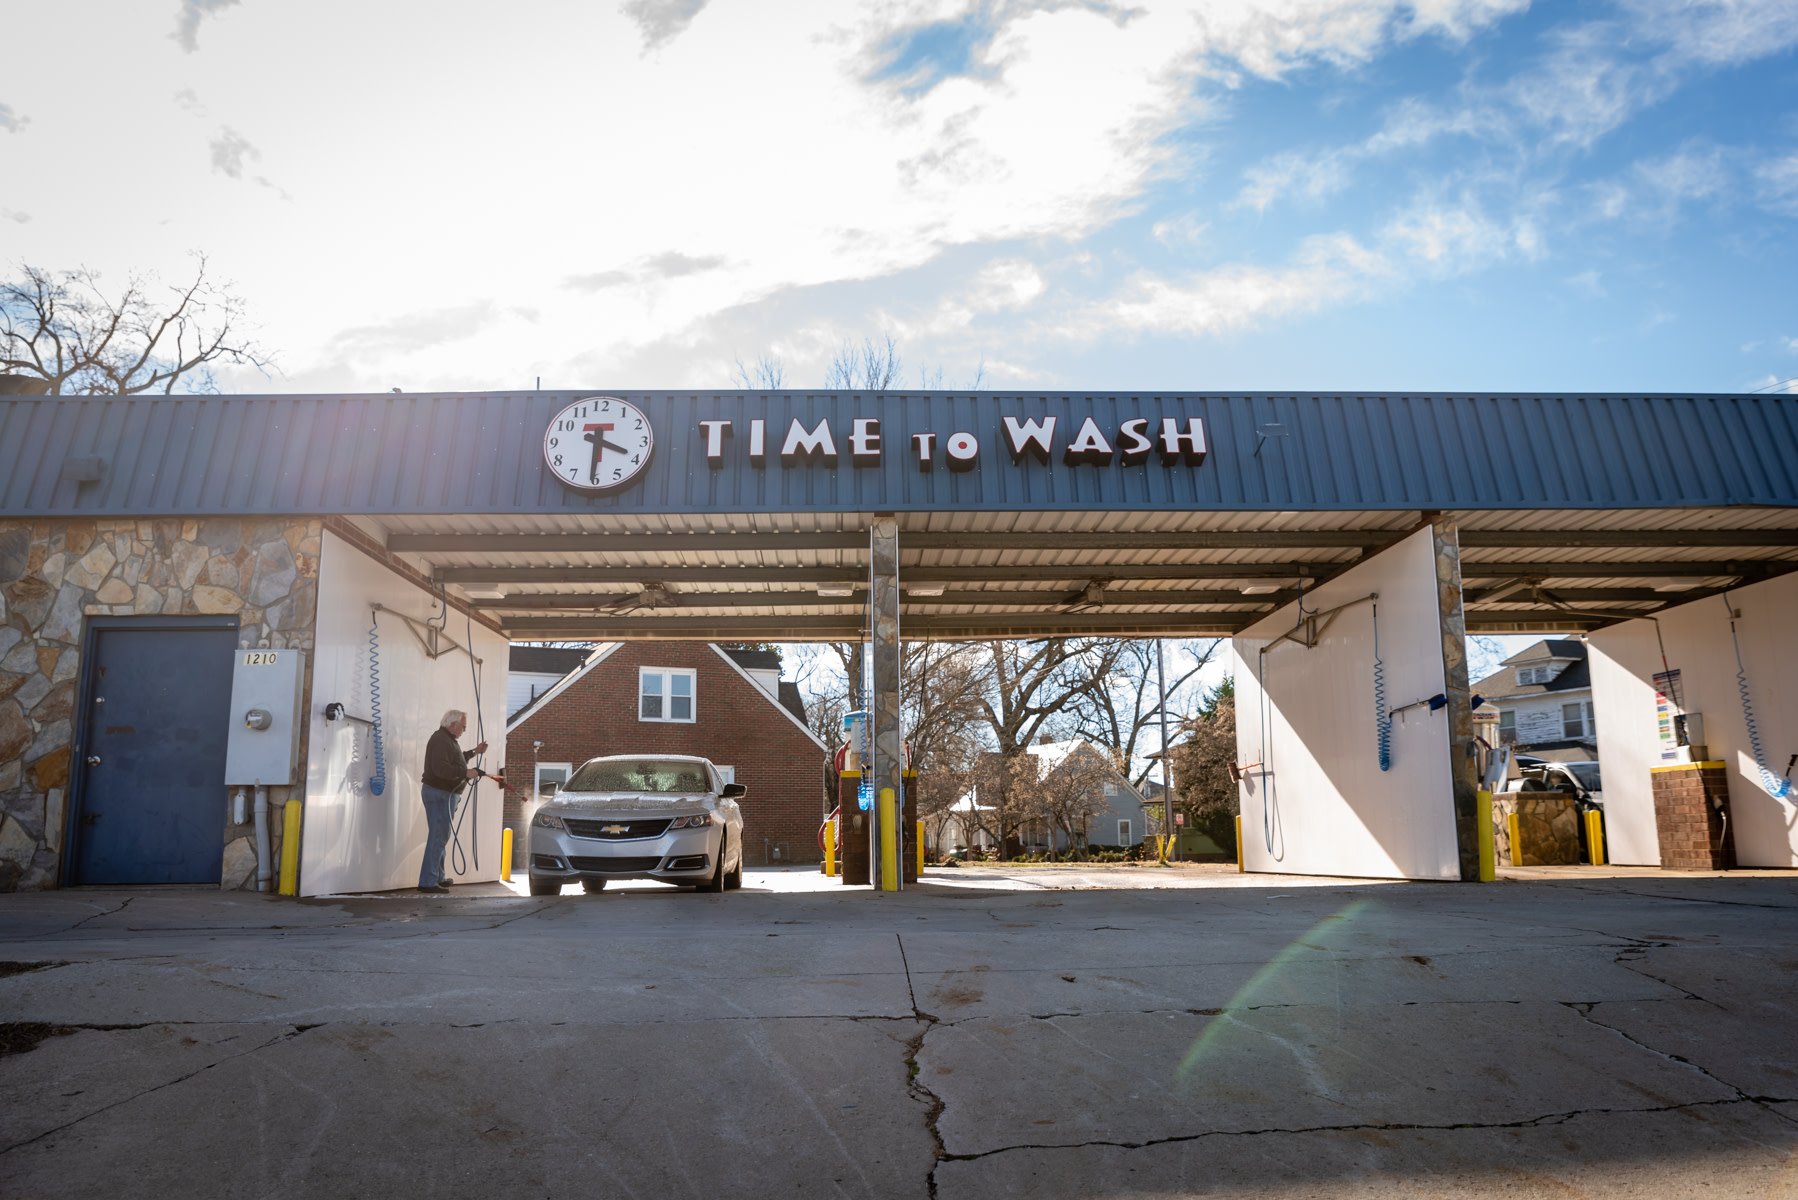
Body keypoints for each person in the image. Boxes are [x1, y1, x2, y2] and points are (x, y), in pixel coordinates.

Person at [419, 709, 486, 892]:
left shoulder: (446, 740)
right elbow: (441, 769)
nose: (464, 730)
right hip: (440, 793)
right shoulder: (441, 740)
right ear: (452, 724)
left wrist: (475, 752)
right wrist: (466, 773)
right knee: (438, 836)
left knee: (441, 836)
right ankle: (428, 881)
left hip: (443, 794)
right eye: (463, 727)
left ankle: (437, 876)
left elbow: (457, 760)